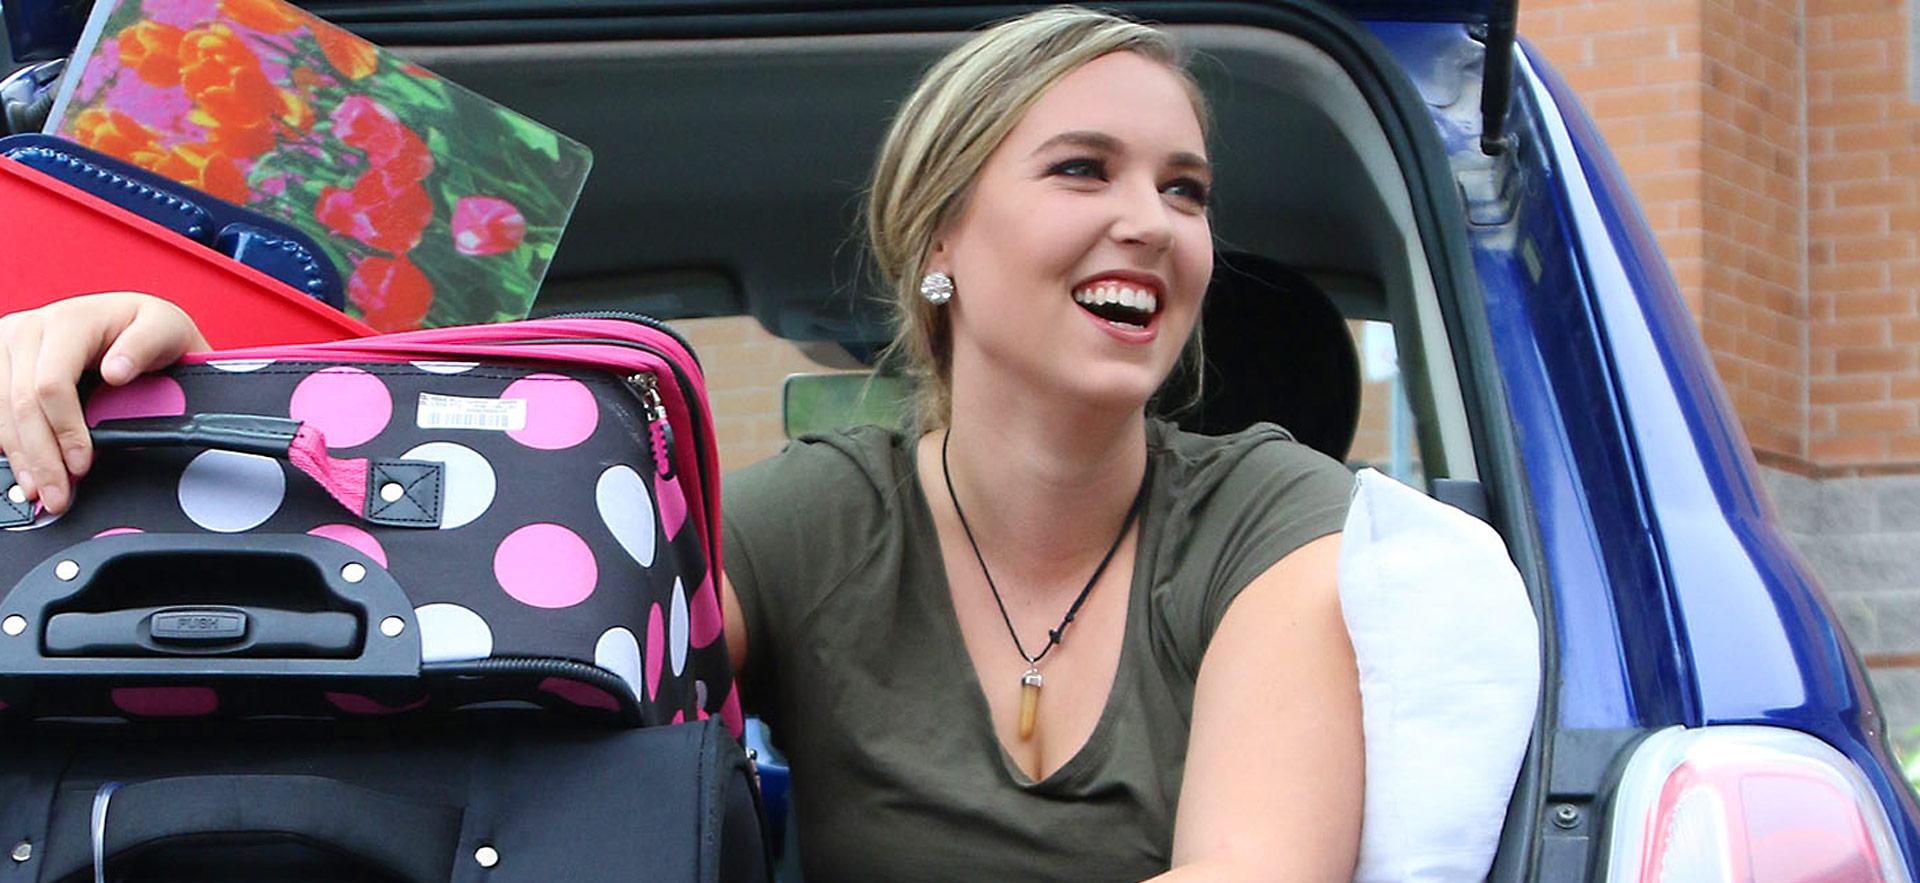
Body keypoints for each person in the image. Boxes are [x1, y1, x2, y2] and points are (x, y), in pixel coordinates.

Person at [0, 6, 1363, 879]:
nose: (1154, 221)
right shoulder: (808, 522)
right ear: (940, 236)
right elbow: (446, 631)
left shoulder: (1273, 515)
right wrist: (167, 356)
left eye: (1185, 189)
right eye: (1086, 169)